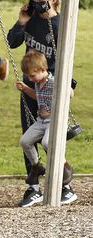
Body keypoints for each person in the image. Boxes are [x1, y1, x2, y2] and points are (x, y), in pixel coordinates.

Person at [7, 0, 76, 207]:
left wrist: (67, 87)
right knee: (29, 136)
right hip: (30, 88)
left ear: (53, 0)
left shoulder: (59, 26)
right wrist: (21, 22)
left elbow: (66, 60)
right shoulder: (31, 20)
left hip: (51, 90)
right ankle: (33, 187)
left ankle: (65, 185)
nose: (36, 1)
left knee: (51, 139)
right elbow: (12, 41)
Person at [15, 50, 76, 207]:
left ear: (43, 69)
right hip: (41, 122)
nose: (30, 78)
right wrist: (25, 88)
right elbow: (37, 96)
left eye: (32, 75)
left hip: (54, 121)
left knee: (47, 143)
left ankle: (65, 167)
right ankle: (37, 166)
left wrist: (68, 87)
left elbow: (69, 94)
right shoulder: (38, 83)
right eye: (28, 76)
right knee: (25, 141)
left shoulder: (54, 82)